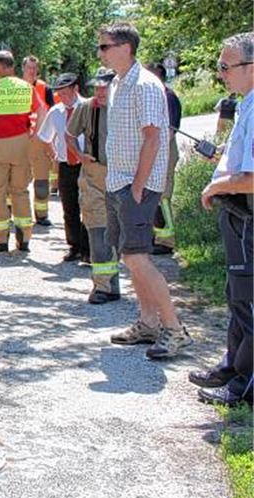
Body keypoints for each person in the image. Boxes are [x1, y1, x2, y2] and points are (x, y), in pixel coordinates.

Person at [98, 22, 192, 358]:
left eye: (105, 46)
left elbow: (153, 138)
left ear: (125, 48)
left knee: (137, 257)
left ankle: (175, 329)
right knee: (131, 257)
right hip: (118, 182)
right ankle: (149, 322)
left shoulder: (146, 85)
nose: (100, 53)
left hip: (136, 186)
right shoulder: (117, 83)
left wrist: (138, 186)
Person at [188, 31, 254, 406]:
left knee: (249, 300)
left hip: (248, 216)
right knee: (238, 296)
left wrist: (217, 186)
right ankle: (233, 366)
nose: (220, 73)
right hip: (238, 215)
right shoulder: (246, 104)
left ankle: (245, 384)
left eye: (226, 66)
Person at [0, 50, 46, 252]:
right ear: (13, 66)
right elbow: (41, 110)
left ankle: (0, 239)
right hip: (22, 143)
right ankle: (24, 238)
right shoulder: (26, 87)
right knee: (20, 190)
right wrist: (34, 134)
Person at [67, 67, 121, 304]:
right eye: (97, 88)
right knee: (98, 229)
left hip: (123, 176)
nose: (99, 92)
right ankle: (102, 287)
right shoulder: (87, 108)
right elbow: (69, 135)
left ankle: (113, 285)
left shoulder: (127, 107)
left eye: (104, 88)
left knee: (120, 233)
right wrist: (80, 155)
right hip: (94, 175)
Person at [37, 73, 88, 262]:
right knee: (69, 207)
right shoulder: (56, 112)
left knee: (89, 206)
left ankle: (89, 248)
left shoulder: (89, 108)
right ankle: (74, 246)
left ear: (76, 89)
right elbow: (45, 137)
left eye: (66, 93)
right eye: (60, 94)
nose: (63, 98)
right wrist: (55, 156)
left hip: (86, 165)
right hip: (66, 165)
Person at [148, 62, 182, 255]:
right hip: (155, 151)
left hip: (164, 152)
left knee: (163, 197)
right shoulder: (155, 96)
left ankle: (166, 241)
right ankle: (156, 236)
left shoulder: (167, 97)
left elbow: (169, 131)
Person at [23, 56, 58, 226]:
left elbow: (53, 113)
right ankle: (9, 211)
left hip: (40, 139)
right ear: (23, 68)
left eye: (35, 68)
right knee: (16, 179)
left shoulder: (45, 89)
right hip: (20, 139)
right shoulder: (17, 87)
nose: (32, 71)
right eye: (29, 67)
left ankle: (41, 215)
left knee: (42, 180)